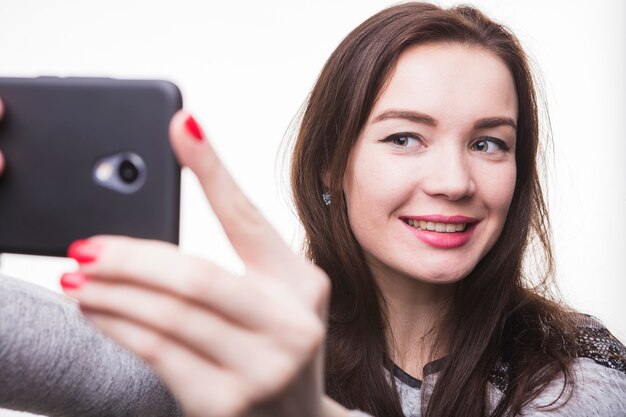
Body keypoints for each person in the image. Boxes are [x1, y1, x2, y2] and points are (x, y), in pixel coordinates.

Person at [1, 2, 625, 417]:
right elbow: (40, 346)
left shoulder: (577, 376)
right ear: (332, 164)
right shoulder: (247, 345)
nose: (455, 180)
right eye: (405, 137)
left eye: (489, 143)